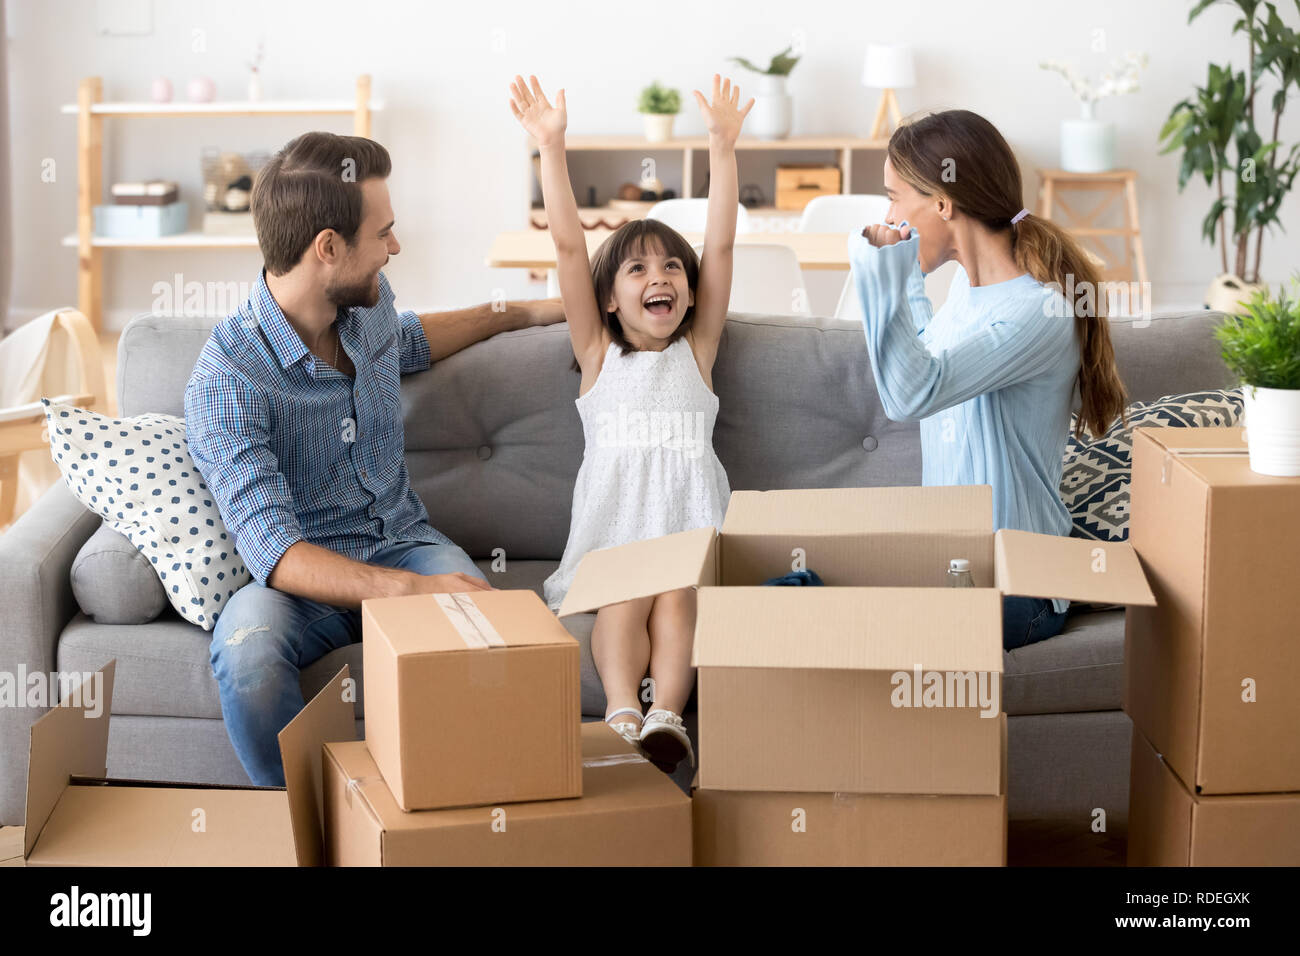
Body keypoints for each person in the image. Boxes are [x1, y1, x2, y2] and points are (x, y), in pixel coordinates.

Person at [184, 131, 563, 786]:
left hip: (403, 541)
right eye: (383, 234)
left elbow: (408, 341)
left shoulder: (366, 306)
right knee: (247, 655)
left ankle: (457, 814)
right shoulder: (229, 380)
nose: (396, 248)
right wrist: (413, 592)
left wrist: (518, 312)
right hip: (307, 580)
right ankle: (307, 825)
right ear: (327, 248)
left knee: (483, 632)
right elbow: (277, 554)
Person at [509, 74, 751, 771]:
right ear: (609, 300)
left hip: (687, 532)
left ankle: (667, 719)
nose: (661, 276)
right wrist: (551, 148)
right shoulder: (596, 355)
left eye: (673, 266)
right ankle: (623, 712)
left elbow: (724, 247)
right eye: (639, 268)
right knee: (622, 597)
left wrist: (722, 148)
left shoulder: (697, 351)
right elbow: (566, 250)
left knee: (677, 597)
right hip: (614, 539)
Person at [849, 109, 1127, 651]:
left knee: (848, 623)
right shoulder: (966, 293)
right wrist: (903, 271)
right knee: (803, 595)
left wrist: (877, 268)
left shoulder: (1037, 314)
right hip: (958, 566)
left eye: (894, 197)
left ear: (942, 203)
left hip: (1018, 589)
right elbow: (925, 360)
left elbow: (911, 395)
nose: (890, 216)